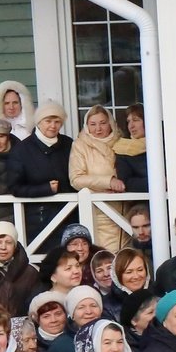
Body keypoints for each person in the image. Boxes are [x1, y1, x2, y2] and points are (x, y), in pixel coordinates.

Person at [69, 105, 128, 252]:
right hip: (100, 214)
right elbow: (76, 179)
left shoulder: (123, 142)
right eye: (93, 124)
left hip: (126, 212)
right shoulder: (80, 145)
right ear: (86, 126)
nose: (98, 129)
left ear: (111, 123)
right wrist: (108, 182)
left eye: (103, 123)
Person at [8, 100, 73, 222]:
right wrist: (46, 189)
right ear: (38, 122)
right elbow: (15, 187)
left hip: (70, 213)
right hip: (38, 217)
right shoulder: (22, 150)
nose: (53, 126)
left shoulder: (69, 144)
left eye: (57, 122)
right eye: (48, 121)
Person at [113, 106, 150, 196]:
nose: (131, 126)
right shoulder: (122, 147)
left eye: (136, 120)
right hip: (139, 200)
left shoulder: (164, 143)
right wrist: (157, 183)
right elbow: (126, 182)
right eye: (128, 121)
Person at [108, 248, 152, 317]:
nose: (136, 276)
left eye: (140, 270)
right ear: (117, 275)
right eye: (129, 272)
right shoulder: (107, 306)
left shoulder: (157, 297)